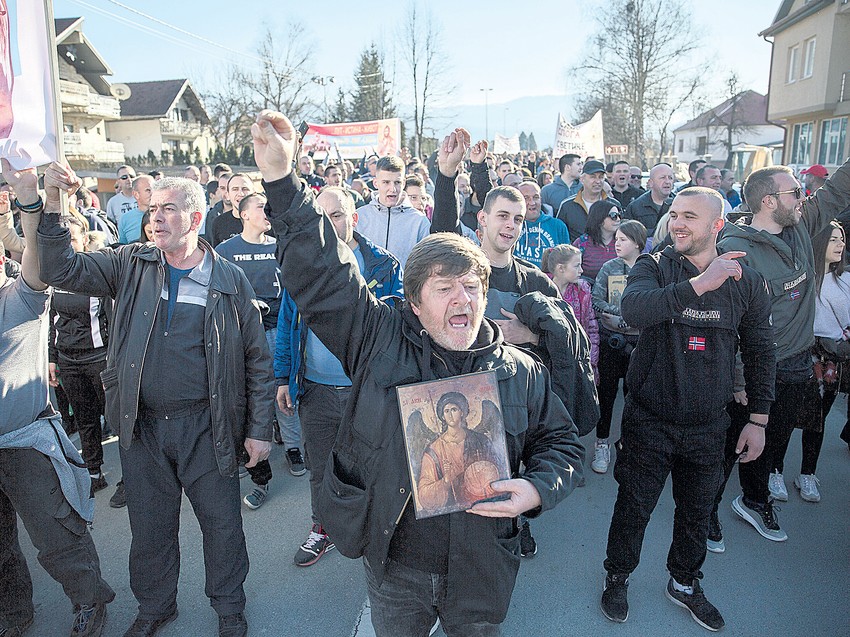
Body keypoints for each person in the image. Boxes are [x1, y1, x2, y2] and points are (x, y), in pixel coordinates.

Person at [253, 108, 584, 637]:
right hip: (396, 569)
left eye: (471, 286)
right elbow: (322, 274)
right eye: (444, 288)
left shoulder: (521, 372)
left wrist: (538, 488)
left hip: (481, 570)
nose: (463, 299)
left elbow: (564, 446)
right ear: (412, 302)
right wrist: (282, 180)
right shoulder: (377, 339)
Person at [37, 166, 274, 637]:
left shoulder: (229, 280)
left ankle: (229, 609)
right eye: (152, 210)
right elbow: (59, 268)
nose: (156, 219)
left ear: (196, 217)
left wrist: (259, 429)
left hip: (207, 429)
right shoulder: (131, 263)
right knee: (149, 532)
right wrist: (51, 207)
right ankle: (155, 607)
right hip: (141, 427)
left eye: (169, 209)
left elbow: (257, 361)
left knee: (222, 528)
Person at [600, 187, 775, 632]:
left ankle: (683, 582)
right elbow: (634, 310)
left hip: (709, 425)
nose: (677, 223)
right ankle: (618, 576)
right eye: (674, 214)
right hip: (649, 420)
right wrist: (700, 283)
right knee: (633, 507)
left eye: (690, 217)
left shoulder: (746, 283)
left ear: (716, 226)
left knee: (697, 512)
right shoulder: (653, 265)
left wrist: (758, 419)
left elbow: (760, 351)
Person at [1, 159, 115, 637]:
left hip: (23, 444)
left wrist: (34, 200)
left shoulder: (20, 297)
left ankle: (90, 600)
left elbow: (39, 258)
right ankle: (14, 613)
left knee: (57, 535)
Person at [713, 158, 850, 546]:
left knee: (773, 440)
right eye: (795, 192)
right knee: (731, 443)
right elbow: (730, 324)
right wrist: (740, 379)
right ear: (770, 202)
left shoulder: (802, 225)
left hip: (796, 362)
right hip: (755, 368)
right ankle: (704, 511)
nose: (804, 197)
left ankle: (754, 500)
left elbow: (838, 190)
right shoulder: (736, 253)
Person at [275, 185, 402, 566]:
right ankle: (322, 528)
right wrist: (284, 377)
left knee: (374, 468)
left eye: (337, 215)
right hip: (315, 391)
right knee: (320, 467)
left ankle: (379, 533)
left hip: (366, 391)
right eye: (322, 217)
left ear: (354, 218)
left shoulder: (383, 265)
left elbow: (396, 327)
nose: (329, 225)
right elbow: (286, 325)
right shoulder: (302, 269)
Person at [215, 193, 302, 510]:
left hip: (278, 332)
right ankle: (251, 463)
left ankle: (293, 448)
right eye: (260, 207)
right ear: (243, 214)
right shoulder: (225, 251)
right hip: (240, 337)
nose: (267, 212)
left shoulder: (278, 246)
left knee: (282, 391)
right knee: (246, 399)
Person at [48, 214, 113, 495]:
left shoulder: (97, 272)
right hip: (68, 360)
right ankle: (94, 472)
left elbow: (114, 320)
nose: (69, 245)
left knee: (117, 418)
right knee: (85, 420)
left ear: (84, 240)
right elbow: (49, 320)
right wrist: (52, 357)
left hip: (99, 358)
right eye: (64, 241)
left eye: (73, 239)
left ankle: (132, 479)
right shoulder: (51, 273)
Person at [590, 220, 647, 474]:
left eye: (623, 240)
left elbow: (652, 303)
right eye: (616, 239)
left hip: (639, 342)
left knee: (634, 396)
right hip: (611, 341)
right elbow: (596, 299)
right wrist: (621, 317)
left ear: (637, 242)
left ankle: (628, 445)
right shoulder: (609, 267)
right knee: (607, 394)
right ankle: (601, 443)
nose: (616, 244)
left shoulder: (650, 269)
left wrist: (628, 319)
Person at [805, 221, 850, 500]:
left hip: (832, 359)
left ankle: (807, 473)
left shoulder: (846, 279)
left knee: (818, 420)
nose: (840, 245)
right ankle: (774, 470)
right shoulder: (803, 277)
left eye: (842, 240)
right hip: (802, 354)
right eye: (834, 239)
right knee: (786, 417)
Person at [417, 392, 506, 514]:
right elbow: (424, 496)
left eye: (454, 409)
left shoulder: (480, 440)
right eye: (446, 411)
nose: (450, 415)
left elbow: (498, 470)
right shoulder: (434, 450)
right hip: (448, 514)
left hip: (483, 505)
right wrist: (446, 481)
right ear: (442, 416)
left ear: (462, 412)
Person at [354, 155, 430, 265]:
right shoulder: (360, 217)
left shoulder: (419, 222)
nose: (392, 189)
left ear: (403, 183)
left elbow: (426, 265)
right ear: (376, 183)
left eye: (397, 182)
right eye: (386, 182)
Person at [540, 244, 599, 380]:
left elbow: (591, 326)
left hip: (579, 360)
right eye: (576, 266)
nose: (582, 270)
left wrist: (592, 359)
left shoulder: (583, 290)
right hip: (551, 363)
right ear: (561, 268)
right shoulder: (541, 290)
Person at [513, 179, 571, 269]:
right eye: (526, 198)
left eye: (536, 197)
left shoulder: (558, 226)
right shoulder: (511, 225)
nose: (532, 203)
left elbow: (567, 260)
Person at [557, 159, 614, 239]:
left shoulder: (613, 205)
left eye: (601, 177)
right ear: (582, 179)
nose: (598, 181)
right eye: (593, 177)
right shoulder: (567, 205)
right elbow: (559, 234)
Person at [571, 200, 621, 286]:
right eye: (614, 216)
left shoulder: (624, 241)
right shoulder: (582, 243)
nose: (618, 219)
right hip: (588, 295)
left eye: (619, 215)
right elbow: (571, 270)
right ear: (600, 218)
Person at [624, 163, 674, 235]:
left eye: (670, 178)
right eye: (662, 177)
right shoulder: (635, 207)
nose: (667, 181)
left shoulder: (680, 204)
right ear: (650, 183)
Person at [208, 174, 255, 248]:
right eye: (235, 189)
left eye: (245, 189)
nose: (240, 194)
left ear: (254, 193)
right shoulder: (219, 223)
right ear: (228, 195)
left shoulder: (265, 221)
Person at [117, 175, 153, 244]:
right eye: (148, 190)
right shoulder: (125, 219)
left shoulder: (166, 215)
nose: (152, 193)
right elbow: (122, 247)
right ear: (136, 194)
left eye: (154, 189)